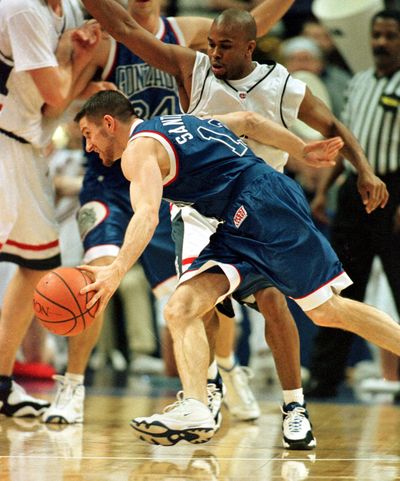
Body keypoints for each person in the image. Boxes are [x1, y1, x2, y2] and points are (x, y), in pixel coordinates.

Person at [81, 0, 388, 450]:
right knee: (182, 308)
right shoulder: (182, 104)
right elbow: (245, 120)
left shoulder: (141, 150)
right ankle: (201, 402)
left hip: (261, 200)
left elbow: (146, 214)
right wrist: (304, 151)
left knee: (320, 309)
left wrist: (112, 272)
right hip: (220, 215)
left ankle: (289, 403)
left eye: (89, 136)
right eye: (212, 44)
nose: (88, 147)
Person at [43, 0, 295, 427]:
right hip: (110, 183)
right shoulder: (104, 41)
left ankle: (229, 369)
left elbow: (252, 26)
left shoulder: (188, 33)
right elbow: (60, 106)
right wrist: (83, 75)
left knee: (209, 295)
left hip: (172, 181)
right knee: (94, 277)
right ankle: (72, 385)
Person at [0, 0, 105, 417]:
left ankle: (2, 382)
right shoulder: (23, 8)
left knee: (38, 262)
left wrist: (83, 71)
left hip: (23, 144)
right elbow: (56, 93)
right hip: (3, 138)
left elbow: (56, 107)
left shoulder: (73, 11)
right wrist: (72, 54)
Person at [307, 9, 400, 399]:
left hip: (394, 191)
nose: (380, 42)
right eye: (376, 35)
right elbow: (344, 141)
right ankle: (325, 376)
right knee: (340, 288)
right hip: (353, 189)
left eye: (390, 36)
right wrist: (325, 188)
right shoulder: (358, 81)